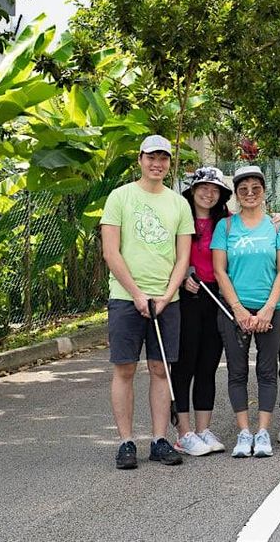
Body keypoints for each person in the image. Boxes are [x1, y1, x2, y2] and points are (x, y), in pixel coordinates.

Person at [101, 134, 194, 470]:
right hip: (126, 298)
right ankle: (126, 441)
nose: (157, 164)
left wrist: (168, 295)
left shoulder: (178, 203)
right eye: (151, 157)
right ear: (140, 159)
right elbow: (111, 251)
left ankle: (158, 439)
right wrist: (137, 294)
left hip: (168, 300)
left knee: (160, 369)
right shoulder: (120, 197)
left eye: (164, 159)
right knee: (125, 368)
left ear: (170, 164)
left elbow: (183, 256)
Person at [212, 165, 280, 459]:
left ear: (263, 192)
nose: (249, 194)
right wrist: (238, 310)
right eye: (243, 189)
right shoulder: (226, 227)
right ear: (236, 194)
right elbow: (220, 270)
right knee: (237, 371)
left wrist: (269, 308)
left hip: (273, 309)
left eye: (255, 189)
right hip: (235, 309)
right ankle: (244, 433)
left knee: (267, 370)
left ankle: (263, 432)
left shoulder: (276, 226)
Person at [172, 166, 232, 457]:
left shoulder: (228, 223)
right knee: (185, 365)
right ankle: (183, 432)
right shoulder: (179, 219)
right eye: (203, 188)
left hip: (216, 297)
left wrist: (276, 219)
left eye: (214, 189)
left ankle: (202, 429)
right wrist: (182, 279)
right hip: (186, 298)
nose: (208, 194)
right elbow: (169, 256)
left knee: (208, 365)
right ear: (192, 191)